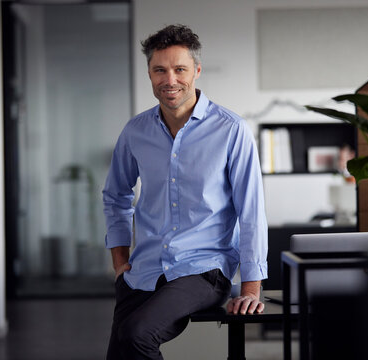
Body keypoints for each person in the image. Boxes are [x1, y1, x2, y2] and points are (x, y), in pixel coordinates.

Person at [102, 24, 268, 360]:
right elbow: (115, 195)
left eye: (180, 69)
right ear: (149, 73)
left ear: (196, 71)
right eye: (159, 70)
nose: (170, 80)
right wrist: (120, 261)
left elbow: (251, 211)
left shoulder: (231, 130)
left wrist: (251, 288)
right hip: (143, 270)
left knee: (137, 335)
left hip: (203, 270)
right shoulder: (135, 131)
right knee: (120, 351)